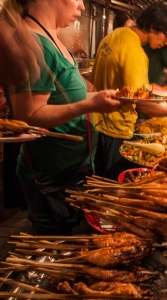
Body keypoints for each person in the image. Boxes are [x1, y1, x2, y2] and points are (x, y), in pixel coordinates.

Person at [5, 0, 125, 235]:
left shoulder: (53, 38)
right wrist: (89, 104)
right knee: (57, 246)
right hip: (52, 174)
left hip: (73, 168)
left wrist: (96, 95)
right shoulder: (34, 42)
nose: (81, 7)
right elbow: (29, 115)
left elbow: (64, 96)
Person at [91, 2, 167, 180]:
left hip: (96, 124)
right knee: (114, 184)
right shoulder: (136, 54)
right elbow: (143, 106)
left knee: (99, 179)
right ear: (154, 27)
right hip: (117, 130)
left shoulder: (116, 34)